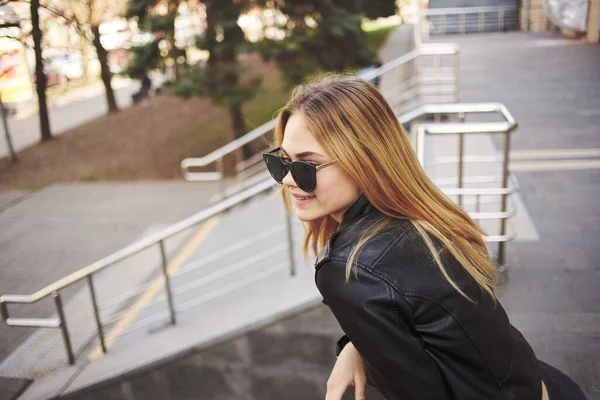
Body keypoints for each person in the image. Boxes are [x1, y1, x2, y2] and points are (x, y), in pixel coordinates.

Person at [261, 75, 587, 400]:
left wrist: (356, 346)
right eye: (283, 161)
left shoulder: (350, 269)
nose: (288, 179)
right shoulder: (419, 215)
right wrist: (355, 346)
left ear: (364, 161)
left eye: (307, 165)